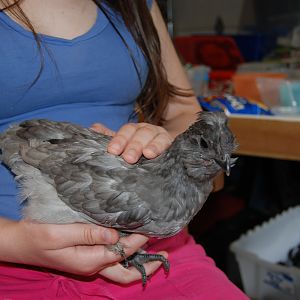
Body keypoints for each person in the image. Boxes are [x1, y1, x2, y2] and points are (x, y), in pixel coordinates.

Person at [0, 0, 249, 299]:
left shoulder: (134, 4)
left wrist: (166, 141)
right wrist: (14, 242)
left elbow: (185, 112)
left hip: (147, 249)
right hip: (12, 263)